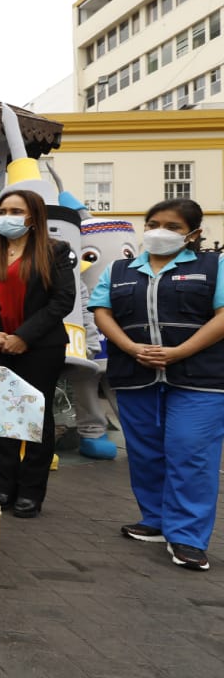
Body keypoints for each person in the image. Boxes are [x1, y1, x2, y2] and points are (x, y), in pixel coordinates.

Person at [91, 198, 224, 571]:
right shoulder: (119, 269)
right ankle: (156, 521)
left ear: (194, 234)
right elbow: (102, 311)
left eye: (173, 226)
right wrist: (131, 347)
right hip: (136, 375)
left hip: (200, 379)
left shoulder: (214, 266)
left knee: (190, 452)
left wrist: (179, 352)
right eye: (152, 223)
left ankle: (187, 537)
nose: (159, 231)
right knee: (146, 451)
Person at [0, 189, 74, 519]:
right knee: (3, 417)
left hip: (40, 348)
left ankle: (31, 492)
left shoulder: (54, 251)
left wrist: (23, 336)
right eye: (3, 210)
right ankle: (4, 487)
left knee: (35, 419)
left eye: (16, 211)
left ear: (33, 217)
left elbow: (62, 301)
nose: (7, 217)